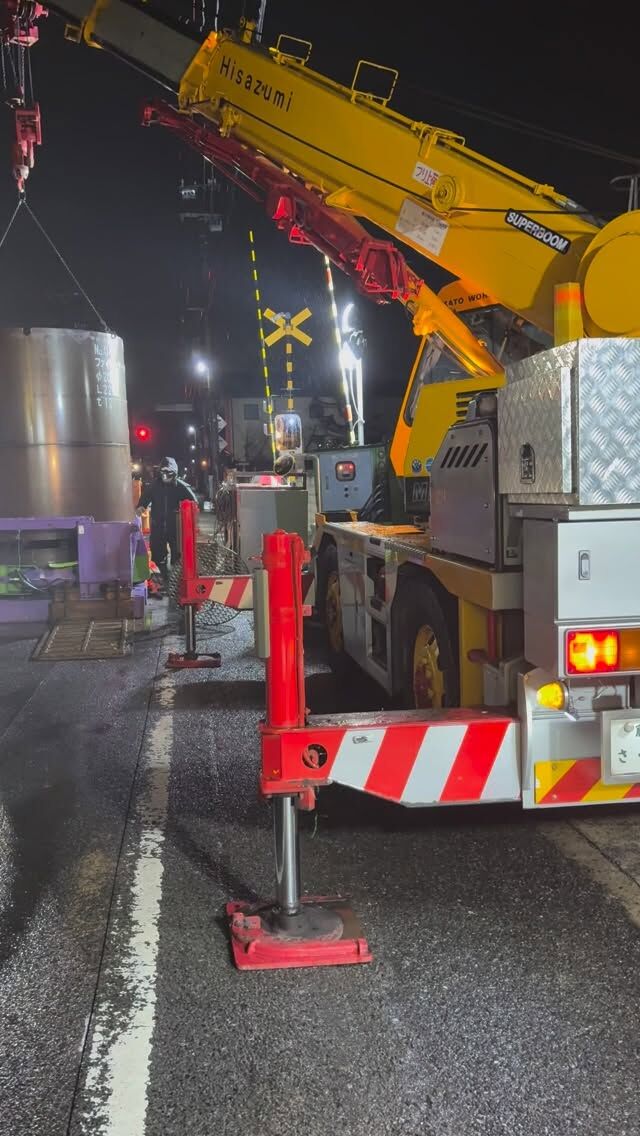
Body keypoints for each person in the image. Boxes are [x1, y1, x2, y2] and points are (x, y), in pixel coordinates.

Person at [136, 457, 198, 581]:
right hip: (158, 526)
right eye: (163, 472)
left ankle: (176, 580)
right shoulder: (154, 486)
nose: (165, 476)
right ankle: (161, 579)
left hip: (175, 527)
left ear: (174, 473)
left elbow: (194, 503)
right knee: (158, 554)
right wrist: (141, 507)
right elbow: (144, 500)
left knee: (178, 554)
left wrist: (191, 518)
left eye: (168, 473)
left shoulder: (181, 487)